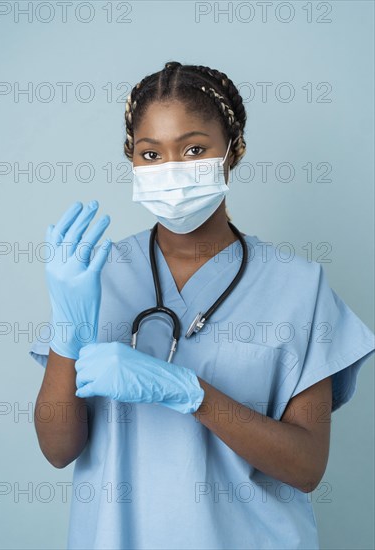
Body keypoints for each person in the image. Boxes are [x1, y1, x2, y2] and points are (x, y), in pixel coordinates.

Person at [30, 61, 375, 550]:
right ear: (131, 157)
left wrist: (190, 392)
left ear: (233, 151)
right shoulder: (96, 275)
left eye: (194, 149)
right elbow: (58, 450)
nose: (171, 171)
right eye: (151, 153)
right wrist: (68, 324)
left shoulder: (298, 286)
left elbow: (306, 467)